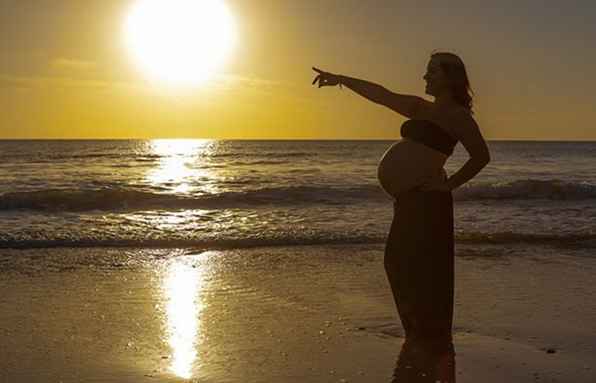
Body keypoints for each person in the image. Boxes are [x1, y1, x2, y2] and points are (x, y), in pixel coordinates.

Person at [312, 51, 490, 382]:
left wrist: (449, 184)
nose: (425, 78)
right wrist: (341, 79)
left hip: (428, 201)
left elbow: (481, 156)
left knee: (410, 264)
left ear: (450, 76)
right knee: (399, 262)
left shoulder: (458, 116)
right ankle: (418, 332)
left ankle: (425, 338)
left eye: (431, 72)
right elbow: (381, 94)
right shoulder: (421, 108)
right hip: (410, 200)